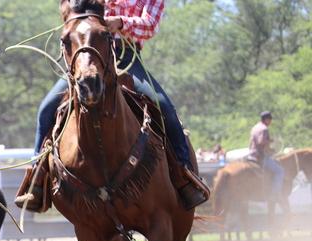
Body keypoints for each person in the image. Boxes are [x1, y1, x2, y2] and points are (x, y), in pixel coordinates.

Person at [16, 0, 209, 210]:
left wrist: (120, 22)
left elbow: (150, 25)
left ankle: (184, 172)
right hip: (87, 53)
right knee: (47, 108)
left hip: (126, 56)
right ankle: (36, 177)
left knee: (163, 106)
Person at [248, 111, 284, 199]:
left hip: (251, 154)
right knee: (280, 171)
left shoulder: (255, 127)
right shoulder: (264, 129)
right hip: (260, 156)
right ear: (266, 119)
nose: (270, 122)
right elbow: (261, 142)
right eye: (270, 120)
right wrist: (271, 142)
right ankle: (275, 194)